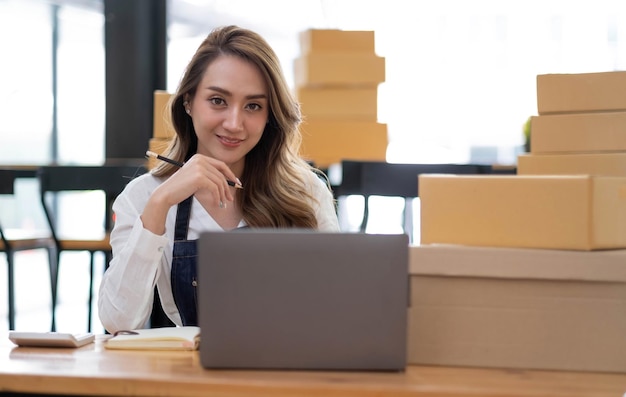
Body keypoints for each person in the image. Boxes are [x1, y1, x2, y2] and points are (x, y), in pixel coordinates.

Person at [98, 25, 340, 333]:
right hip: (193, 377)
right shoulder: (145, 196)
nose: (234, 123)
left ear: (270, 117)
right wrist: (160, 204)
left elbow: (334, 310)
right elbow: (118, 320)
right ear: (188, 101)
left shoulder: (306, 192)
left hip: (286, 375)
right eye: (218, 101)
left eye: (253, 106)